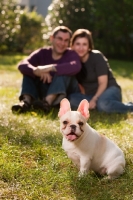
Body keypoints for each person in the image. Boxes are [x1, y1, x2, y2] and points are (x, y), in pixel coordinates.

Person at [12, 26, 81, 113]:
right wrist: (36, 71)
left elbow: (76, 66)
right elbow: (22, 64)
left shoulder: (71, 54)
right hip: (44, 87)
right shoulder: (42, 52)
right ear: (52, 38)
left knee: (63, 72)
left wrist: (50, 68)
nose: (62, 43)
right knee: (28, 72)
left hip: (62, 93)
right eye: (60, 39)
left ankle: (46, 103)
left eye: (66, 40)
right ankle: (25, 103)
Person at [68, 29, 133, 114]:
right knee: (71, 99)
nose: (81, 48)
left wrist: (95, 99)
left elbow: (103, 83)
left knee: (103, 105)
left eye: (84, 44)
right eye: (78, 44)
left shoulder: (96, 56)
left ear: (89, 47)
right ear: (72, 45)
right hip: (91, 95)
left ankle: (129, 107)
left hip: (109, 89)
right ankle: (99, 105)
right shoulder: (73, 61)